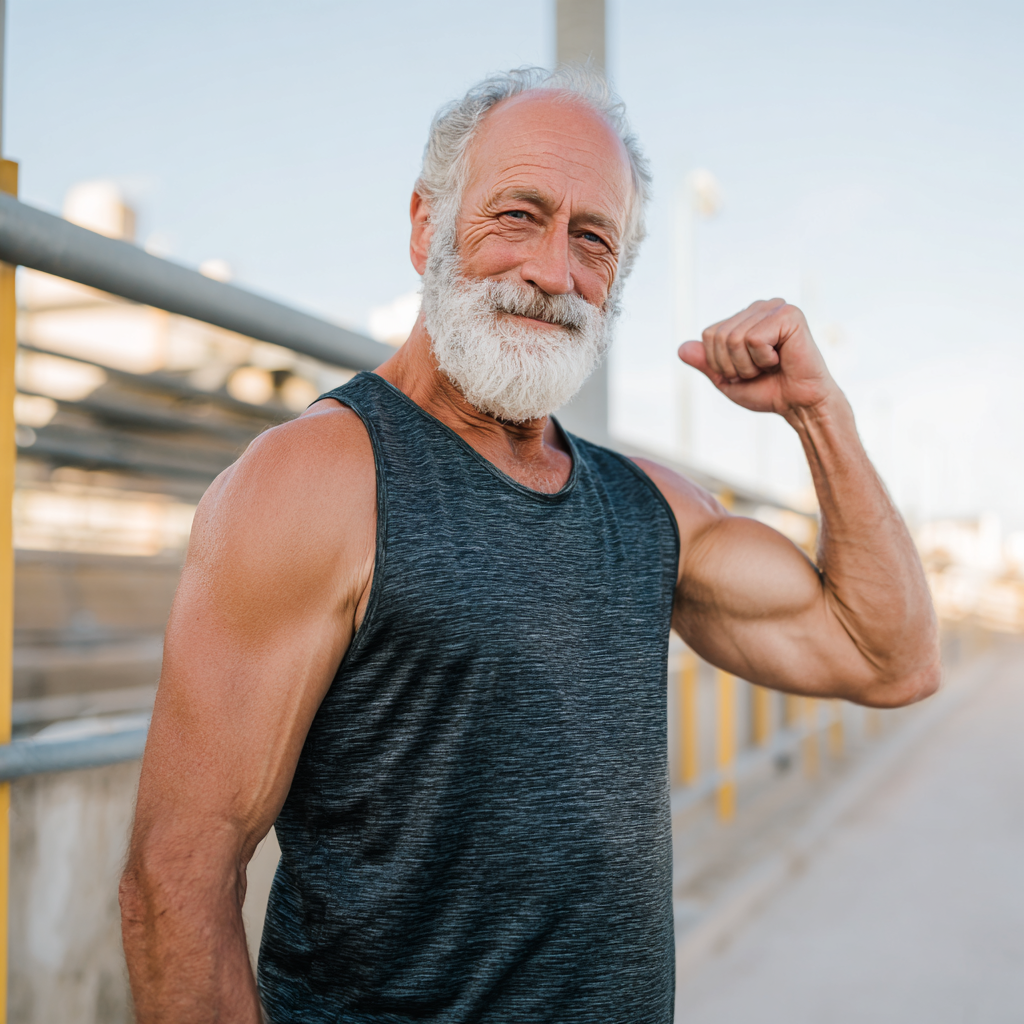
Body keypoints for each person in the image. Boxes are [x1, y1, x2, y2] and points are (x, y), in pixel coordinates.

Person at [119, 66, 940, 1024]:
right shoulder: (316, 481)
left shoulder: (646, 509)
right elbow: (173, 878)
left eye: (592, 240)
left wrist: (818, 414)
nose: (554, 272)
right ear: (428, 227)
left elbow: (893, 658)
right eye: (518, 215)